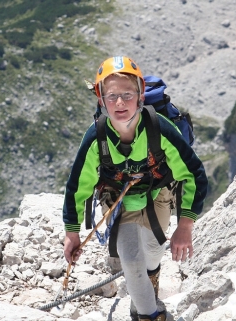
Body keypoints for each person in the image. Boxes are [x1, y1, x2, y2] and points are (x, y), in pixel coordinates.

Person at [62, 56, 208, 321]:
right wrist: (72, 233)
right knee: (131, 260)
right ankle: (149, 313)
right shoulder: (96, 137)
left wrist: (185, 227)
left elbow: (194, 174)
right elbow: (77, 186)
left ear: (141, 97)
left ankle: (149, 282)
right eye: (112, 96)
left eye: (127, 95)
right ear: (101, 99)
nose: (119, 103)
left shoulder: (160, 128)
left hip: (157, 193)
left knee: (153, 253)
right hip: (118, 200)